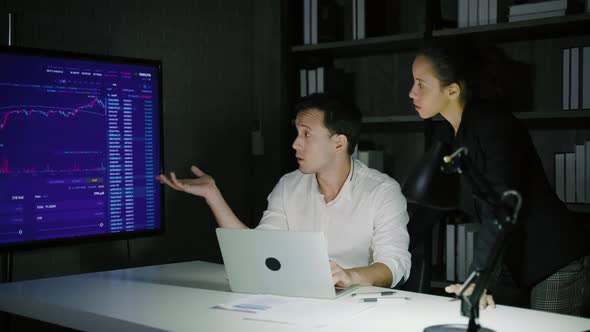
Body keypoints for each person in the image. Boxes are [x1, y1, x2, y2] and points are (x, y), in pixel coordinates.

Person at [408, 40, 590, 316]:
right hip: (516, 263)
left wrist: (477, 279)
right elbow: (431, 206)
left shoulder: (491, 124)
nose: (411, 93)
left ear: (453, 90)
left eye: (421, 84)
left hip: (555, 262)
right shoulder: (451, 134)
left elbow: (500, 206)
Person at [157, 93, 411, 288]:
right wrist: (213, 195)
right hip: (296, 300)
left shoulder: (382, 192)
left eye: (306, 134)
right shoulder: (289, 186)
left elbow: (394, 264)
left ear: (338, 142)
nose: (295, 143)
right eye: (296, 133)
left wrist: (350, 276)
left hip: (357, 307)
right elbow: (258, 249)